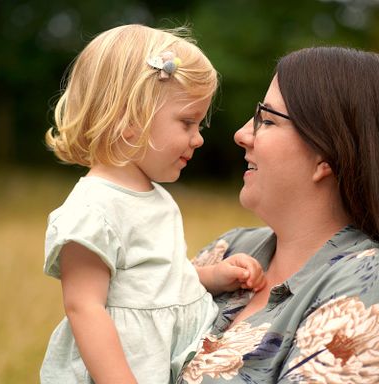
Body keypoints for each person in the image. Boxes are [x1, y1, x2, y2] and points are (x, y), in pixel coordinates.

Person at [179, 46, 379, 383]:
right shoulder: (231, 248)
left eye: (267, 120)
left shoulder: (371, 285)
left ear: (326, 154)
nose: (242, 135)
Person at [40, 24, 266, 384]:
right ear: (131, 121)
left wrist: (211, 278)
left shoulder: (155, 196)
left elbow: (154, 282)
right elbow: (84, 307)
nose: (198, 140)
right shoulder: (93, 209)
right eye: (188, 123)